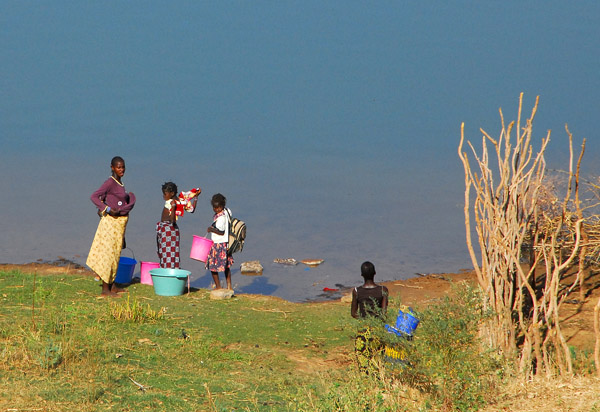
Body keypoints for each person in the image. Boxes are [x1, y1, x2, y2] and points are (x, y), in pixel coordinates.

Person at [86, 156, 136, 296]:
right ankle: (105, 290)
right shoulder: (110, 182)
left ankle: (112, 285)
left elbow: (109, 198)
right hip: (110, 225)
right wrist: (107, 209)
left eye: (123, 167)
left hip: (118, 226)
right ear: (112, 167)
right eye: (119, 167)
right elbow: (94, 196)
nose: (121, 170)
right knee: (108, 255)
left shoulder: (119, 183)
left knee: (115, 254)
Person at [350, 261, 389, 372]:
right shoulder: (383, 290)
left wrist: (364, 318)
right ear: (375, 273)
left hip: (363, 331)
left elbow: (353, 313)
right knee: (378, 361)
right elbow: (383, 313)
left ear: (362, 275)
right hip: (377, 331)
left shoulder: (357, 291)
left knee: (363, 364)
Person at [156, 182, 200, 268]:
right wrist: (195, 198)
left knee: (166, 253)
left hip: (167, 229)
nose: (163, 196)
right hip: (174, 230)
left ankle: (167, 271)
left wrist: (173, 208)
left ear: (172, 193)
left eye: (165, 194)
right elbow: (192, 209)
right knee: (173, 252)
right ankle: (174, 269)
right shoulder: (181, 201)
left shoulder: (170, 202)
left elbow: (172, 220)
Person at [206, 193, 234, 289]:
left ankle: (218, 286)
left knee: (213, 266)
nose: (216, 209)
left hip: (218, 244)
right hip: (226, 243)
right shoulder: (227, 211)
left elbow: (221, 232)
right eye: (214, 207)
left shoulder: (221, 218)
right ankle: (229, 286)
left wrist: (211, 229)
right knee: (226, 266)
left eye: (218, 207)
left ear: (222, 206)